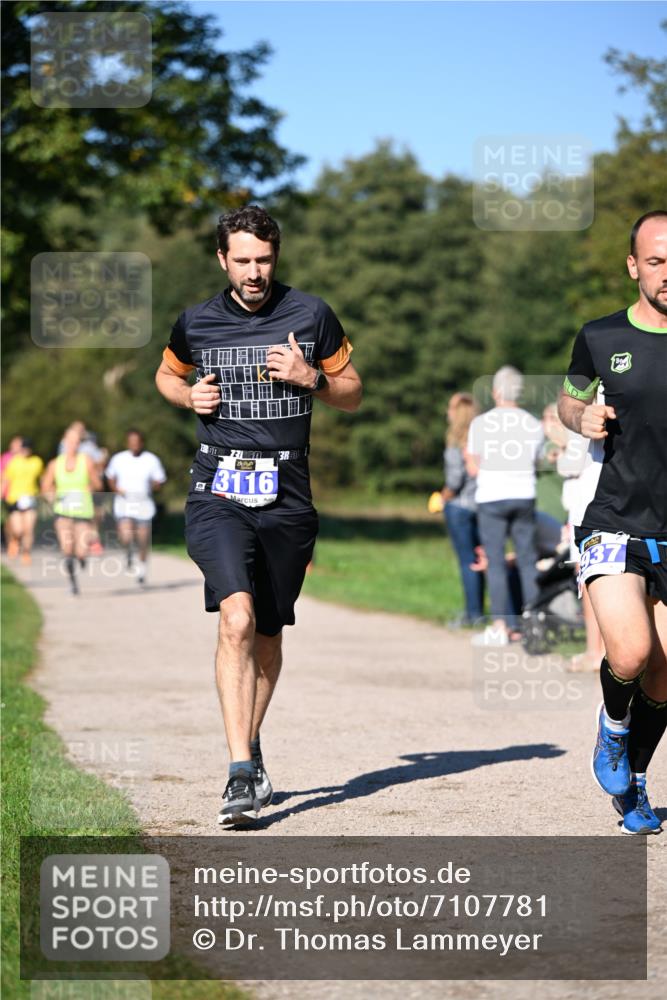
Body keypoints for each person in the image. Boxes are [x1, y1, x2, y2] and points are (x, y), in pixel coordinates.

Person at [155, 205, 362, 826]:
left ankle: (249, 740)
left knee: (268, 635)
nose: (254, 272)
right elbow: (167, 375)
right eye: (242, 260)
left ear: (277, 257)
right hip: (217, 485)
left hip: (289, 494)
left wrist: (310, 379)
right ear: (222, 259)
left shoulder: (311, 314)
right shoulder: (197, 321)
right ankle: (240, 773)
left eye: (264, 260)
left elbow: (352, 393)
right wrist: (188, 394)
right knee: (237, 619)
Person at [558, 210, 667, 835]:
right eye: (654, 260)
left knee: (665, 672)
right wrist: (582, 420)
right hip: (615, 519)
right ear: (633, 267)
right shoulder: (601, 337)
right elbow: (569, 397)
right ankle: (613, 732)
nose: (665, 271)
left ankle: (639, 785)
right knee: (631, 651)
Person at [466, 366, 544, 646]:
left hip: (491, 497)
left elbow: (473, 468)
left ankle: (500, 626)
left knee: (496, 563)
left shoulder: (480, 424)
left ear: (496, 391)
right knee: (526, 561)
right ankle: (534, 625)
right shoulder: (534, 424)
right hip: (524, 494)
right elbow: (537, 463)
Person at [41, 426, 101, 594]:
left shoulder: (86, 460)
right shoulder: (55, 464)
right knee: (67, 549)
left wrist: (92, 486)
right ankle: (72, 583)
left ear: (79, 444)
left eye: (76, 442)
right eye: (69, 442)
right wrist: (50, 495)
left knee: (81, 551)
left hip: (83, 511)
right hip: (63, 511)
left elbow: (98, 483)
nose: (72, 445)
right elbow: (45, 486)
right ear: (64, 443)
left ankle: (82, 560)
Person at [441, 392, 483, 626]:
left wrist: (441, 497)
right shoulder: (481, 440)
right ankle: (479, 612)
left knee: (467, 561)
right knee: (481, 559)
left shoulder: (456, 442)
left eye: (450, 408)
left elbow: (455, 481)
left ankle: (472, 614)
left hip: (459, 507)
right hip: (481, 506)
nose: (447, 412)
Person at [106, 430, 167, 585]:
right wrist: (116, 489)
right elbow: (110, 477)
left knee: (143, 540)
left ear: (141, 443)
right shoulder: (118, 459)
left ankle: (142, 568)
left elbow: (160, 480)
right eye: (131, 441)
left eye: (137, 441)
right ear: (127, 443)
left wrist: (154, 485)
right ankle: (128, 554)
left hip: (143, 504)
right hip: (124, 503)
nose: (134, 445)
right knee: (126, 536)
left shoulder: (151, 460)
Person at [2, 438, 44, 563]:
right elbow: (6, 480)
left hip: (30, 497)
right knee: (18, 529)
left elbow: (42, 478)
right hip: (14, 498)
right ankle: (15, 540)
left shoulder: (36, 462)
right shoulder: (13, 462)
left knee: (29, 528)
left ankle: (26, 553)